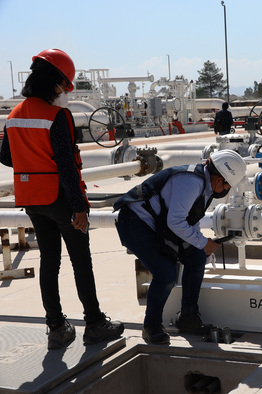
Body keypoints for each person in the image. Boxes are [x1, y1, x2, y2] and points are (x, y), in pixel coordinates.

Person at [0, 49, 124, 349]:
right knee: (81, 260)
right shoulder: (57, 116)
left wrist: (33, 165)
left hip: (31, 199)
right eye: (63, 86)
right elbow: (67, 166)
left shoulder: (14, 116)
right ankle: (94, 323)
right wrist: (80, 207)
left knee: (49, 261)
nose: (64, 92)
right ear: (55, 82)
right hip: (61, 199)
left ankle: (56, 328)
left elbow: (5, 157)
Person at [113, 150, 247, 344]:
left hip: (158, 224)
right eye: (227, 185)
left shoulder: (205, 185)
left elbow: (190, 220)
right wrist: (203, 243)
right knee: (165, 274)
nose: (227, 189)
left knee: (197, 257)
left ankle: (188, 317)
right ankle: (151, 327)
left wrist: (202, 245)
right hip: (136, 223)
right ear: (220, 180)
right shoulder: (191, 182)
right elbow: (175, 222)